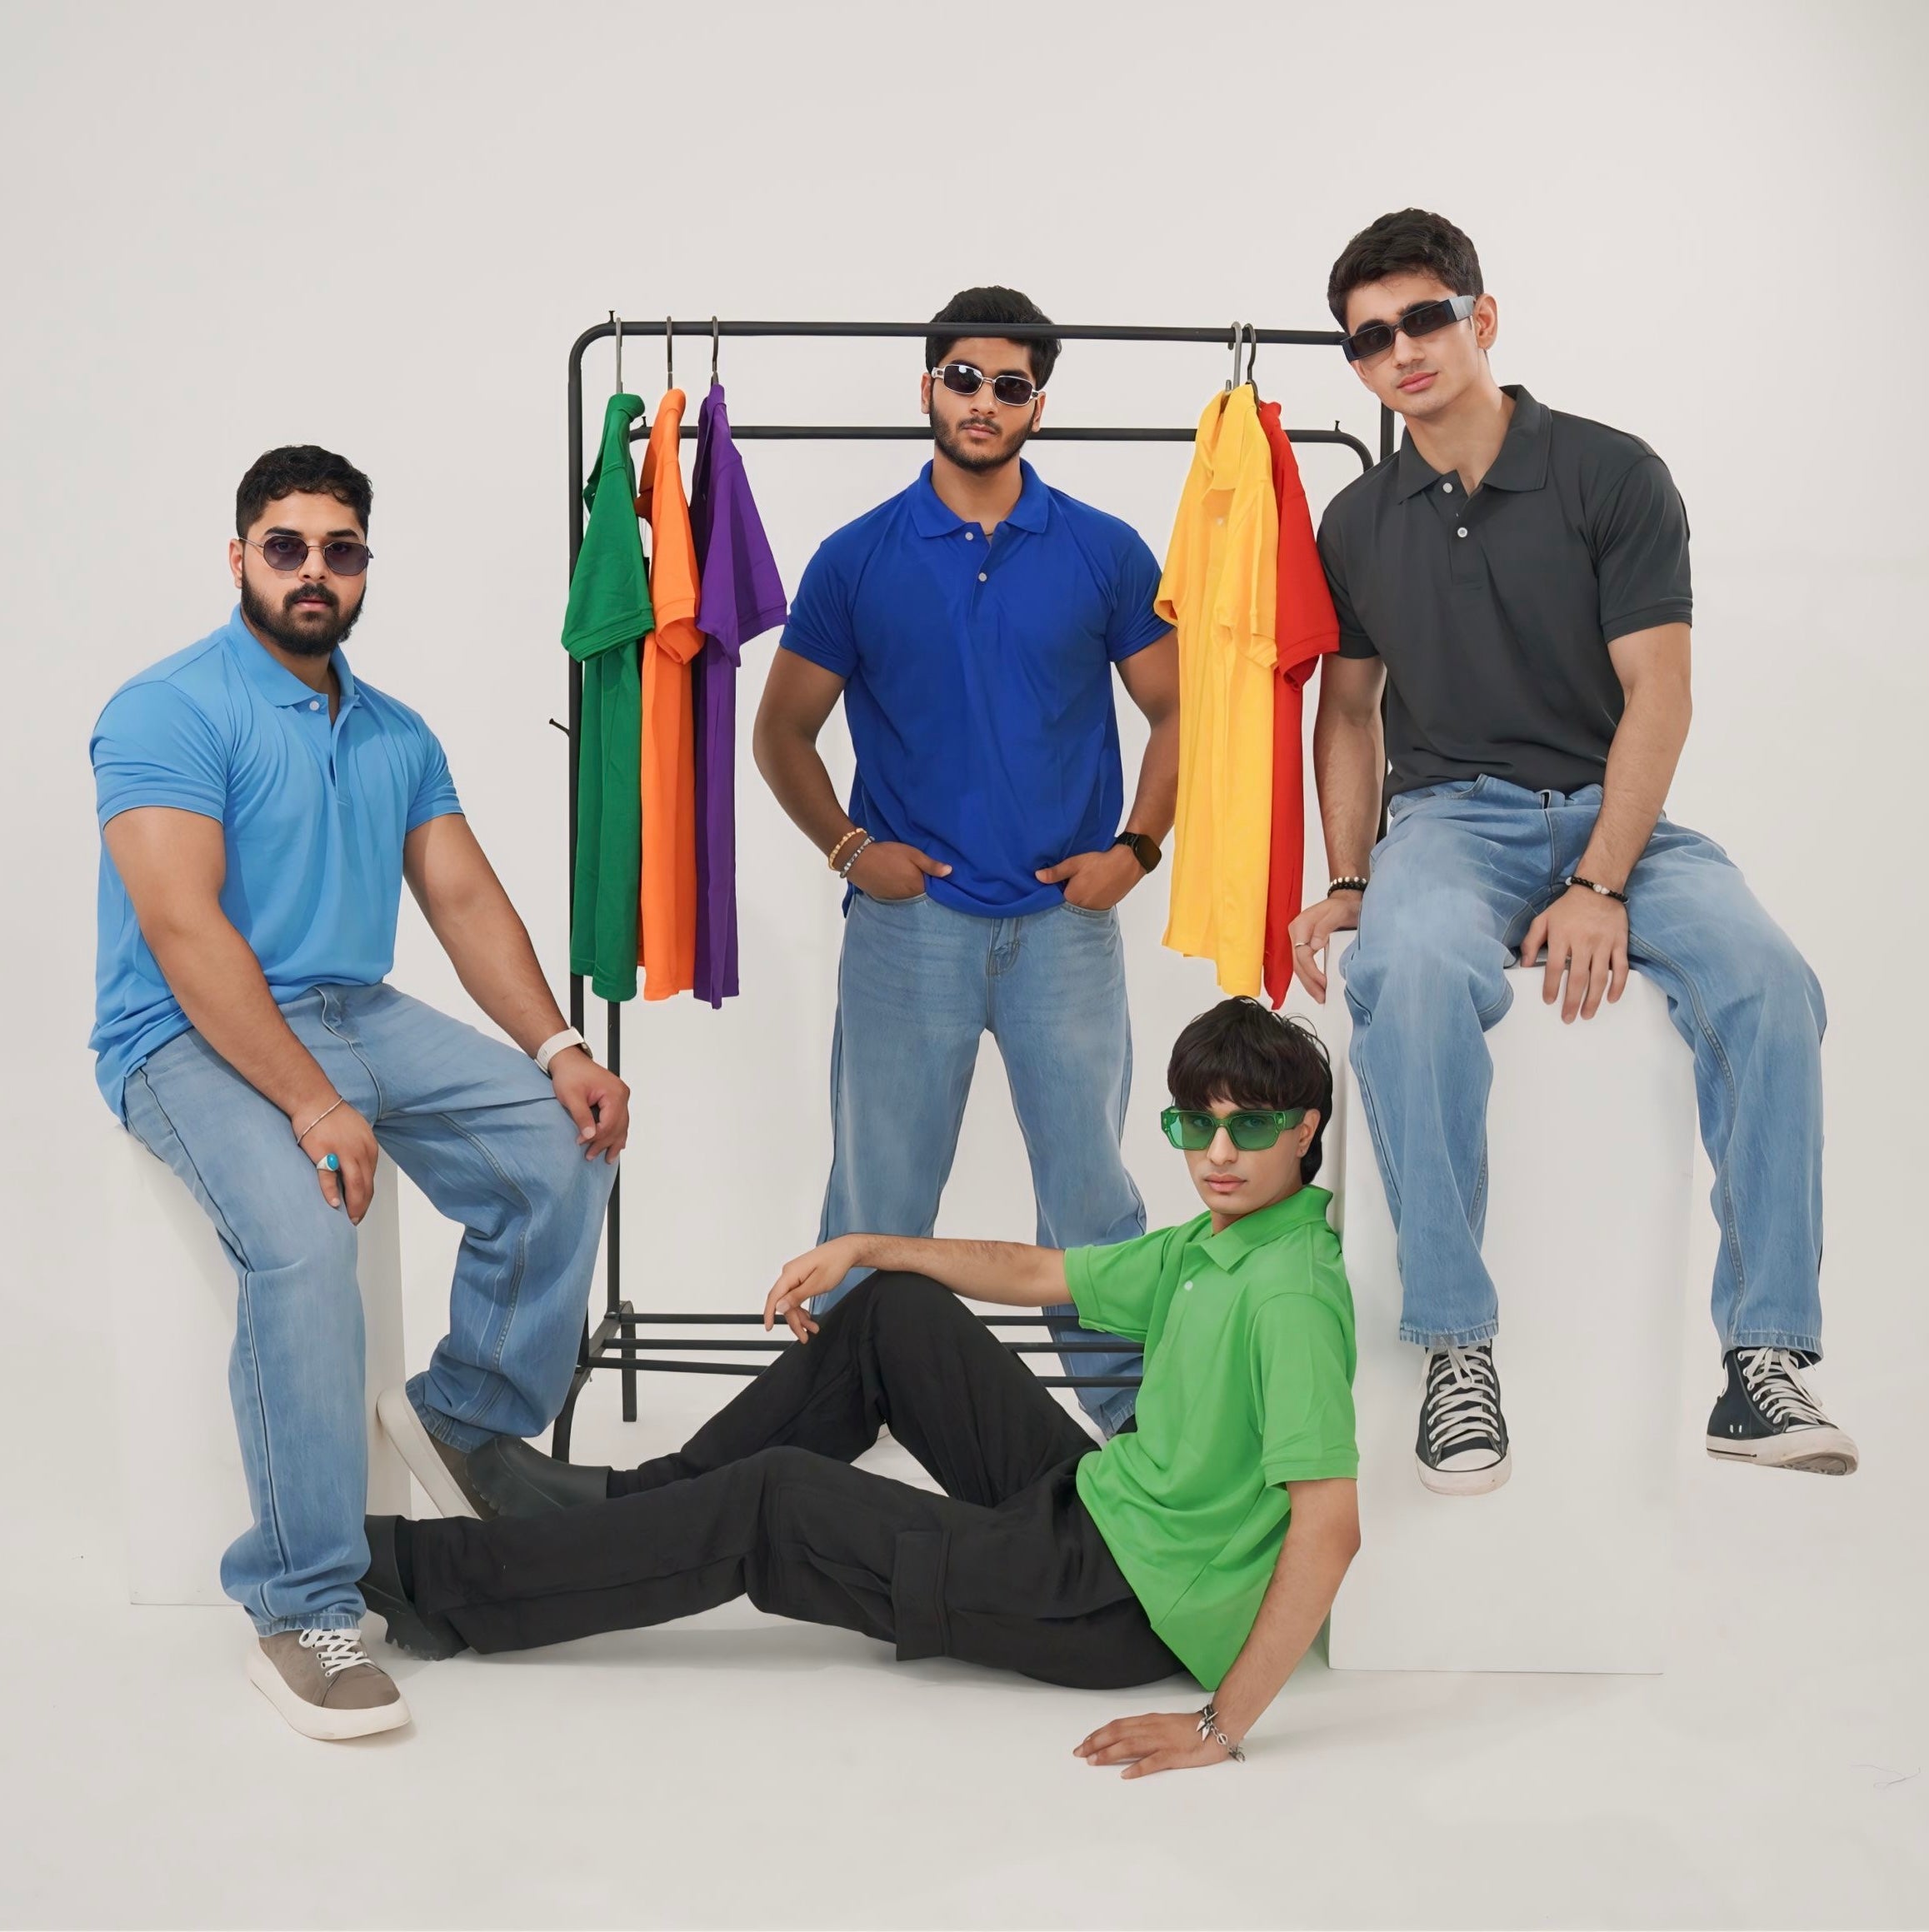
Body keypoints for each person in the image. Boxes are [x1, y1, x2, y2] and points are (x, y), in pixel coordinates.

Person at [355, 998, 1359, 1775]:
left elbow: (1328, 1527)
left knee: (776, 1505)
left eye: (1249, 1127)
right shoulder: (1217, 1239)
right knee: (896, 1313)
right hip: (1099, 1508)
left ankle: (438, 1585)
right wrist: (867, 1248)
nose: (1217, 1154)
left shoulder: (1288, 1296)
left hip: (1116, 1601)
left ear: (1303, 1127)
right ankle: (629, 1504)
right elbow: (1036, 1272)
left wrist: (1219, 1727)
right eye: (1196, 1126)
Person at [1289, 209, 1858, 1494]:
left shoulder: (1610, 474)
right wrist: (1346, 878)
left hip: (1621, 817)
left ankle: (1761, 1358)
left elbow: (1658, 692)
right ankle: (1453, 1342)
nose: (1399, 351)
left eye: (1421, 318)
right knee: (1409, 970)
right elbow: (1346, 710)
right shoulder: (1356, 518)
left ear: (1478, 319)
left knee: (1769, 982)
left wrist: (1599, 878)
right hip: (1449, 820)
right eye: (1368, 339)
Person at [90, 446, 631, 1740]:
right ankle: (300, 1603)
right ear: (239, 559)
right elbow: (183, 929)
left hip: (357, 1008)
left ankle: (468, 1421)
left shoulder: (389, 728)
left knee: (565, 1143)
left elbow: (457, 894)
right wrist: (310, 1102)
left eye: (341, 548)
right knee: (302, 1239)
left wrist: (558, 1046)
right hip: (188, 1029)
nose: (315, 570)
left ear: (365, 565)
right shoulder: (168, 708)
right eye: (287, 545)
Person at [751, 287, 1180, 1437]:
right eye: (961, 378)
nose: (981, 402)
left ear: (1038, 404)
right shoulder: (856, 558)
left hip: (1062, 927)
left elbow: (1180, 712)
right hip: (909, 929)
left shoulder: (1100, 550)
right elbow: (778, 729)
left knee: (1090, 1196)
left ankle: (1133, 1432)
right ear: (927, 385)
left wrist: (1135, 851)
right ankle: (828, 1428)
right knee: (879, 1193)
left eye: (1008, 385)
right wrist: (850, 847)